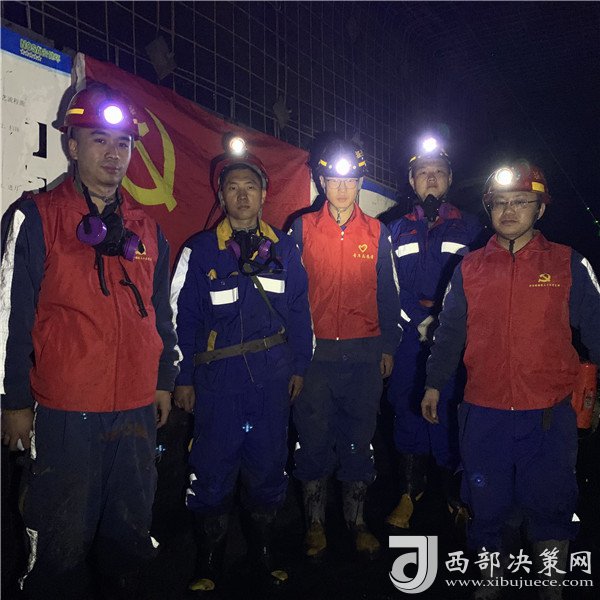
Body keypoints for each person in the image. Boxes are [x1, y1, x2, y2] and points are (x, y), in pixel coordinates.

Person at [0, 82, 179, 600]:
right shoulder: (36, 216)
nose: (113, 154)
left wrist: (163, 381)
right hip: (65, 413)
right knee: (59, 545)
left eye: (122, 143)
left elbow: (161, 316)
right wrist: (13, 402)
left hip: (136, 411)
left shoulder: (149, 230)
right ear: (72, 145)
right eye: (99, 140)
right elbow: (10, 317)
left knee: (128, 540)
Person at [422, 160, 600, 599]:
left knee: (552, 497)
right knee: (485, 498)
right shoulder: (469, 267)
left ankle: (552, 584)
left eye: (520, 201)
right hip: (484, 408)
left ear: (541, 209)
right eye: (499, 203)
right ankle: (491, 580)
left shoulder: (568, 263)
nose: (508, 211)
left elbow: (597, 328)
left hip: (549, 411)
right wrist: (433, 383)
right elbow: (449, 331)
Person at [170, 136, 312, 593]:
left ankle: (263, 554)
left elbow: (300, 313)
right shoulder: (200, 251)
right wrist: (182, 377)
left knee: (268, 468)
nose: (243, 195)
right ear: (222, 195)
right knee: (211, 470)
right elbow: (181, 318)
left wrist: (299, 367)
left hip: (271, 383)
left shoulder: (284, 250)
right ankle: (208, 562)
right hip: (219, 385)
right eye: (233, 187)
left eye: (250, 186)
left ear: (264, 193)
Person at [289, 138, 402, 560]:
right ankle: (315, 524)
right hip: (315, 356)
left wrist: (388, 346)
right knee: (312, 437)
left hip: (363, 354)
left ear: (359, 183)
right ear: (321, 181)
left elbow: (389, 294)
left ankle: (357, 521)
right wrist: (294, 351)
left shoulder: (377, 232)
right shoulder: (300, 229)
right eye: (333, 179)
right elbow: (290, 296)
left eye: (350, 180)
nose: (341, 187)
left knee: (358, 438)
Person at [385, 138, 482, 530]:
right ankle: (410, 491)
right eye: (423, 172)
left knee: (451, 406)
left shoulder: (473, 227)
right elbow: (387, 286)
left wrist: (446, 322)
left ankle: (454, 494)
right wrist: (416, 318)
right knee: (407, 403)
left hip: (455, 335)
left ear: (450, 179)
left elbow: (478, 282)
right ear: (411, 180)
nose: (431, 178)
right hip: (408, 336)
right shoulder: (393, 229)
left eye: (438, 172)